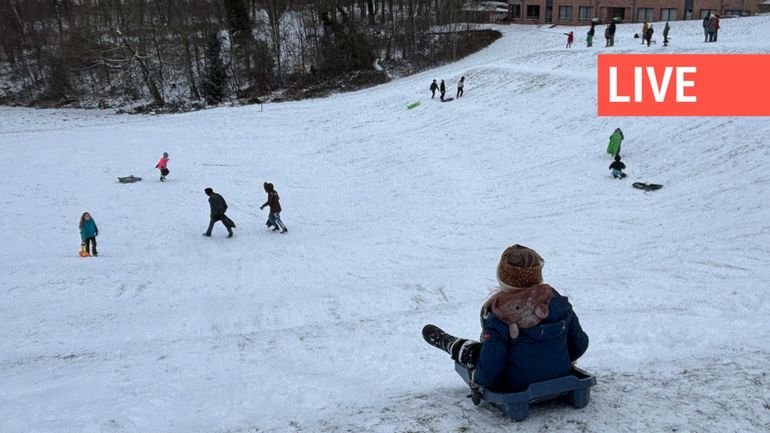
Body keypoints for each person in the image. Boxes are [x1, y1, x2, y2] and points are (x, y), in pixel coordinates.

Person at [422, 244, 589, 393]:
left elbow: (490, 367)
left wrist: (478, 380)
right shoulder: (559, 304)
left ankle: (453, 344)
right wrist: (558, 359)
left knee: (477, 353)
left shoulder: (500, 316)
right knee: (492, 350)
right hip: (561, 374)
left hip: (514, 385)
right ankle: (456, 345)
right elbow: (579, 345)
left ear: (503, 279)